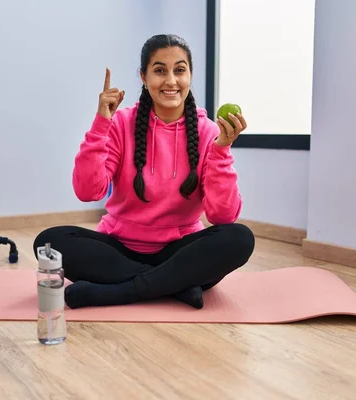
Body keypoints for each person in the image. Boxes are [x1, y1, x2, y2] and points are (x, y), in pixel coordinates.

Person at [33, 34, 255, 309]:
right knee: (49, 242)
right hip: (120, 248)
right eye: (160, 70)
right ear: (143, 76)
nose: (171, 81)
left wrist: (221, 149)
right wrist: (102, 122)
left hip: (180, 251)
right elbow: (88, 192)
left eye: (180, 70)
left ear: (190, 75)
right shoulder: (121, 123)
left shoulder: (208, 131)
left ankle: (118, 291)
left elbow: (223, 216)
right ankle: (175, 286)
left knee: (239, 238)